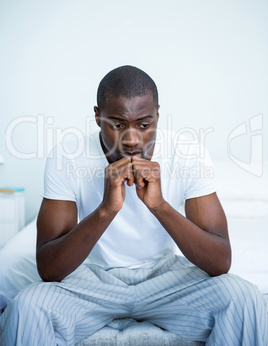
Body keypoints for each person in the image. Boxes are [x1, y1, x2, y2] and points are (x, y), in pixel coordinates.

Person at [0, 65, 267, 345]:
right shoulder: (66, 156)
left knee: (243, 297)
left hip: (163, 276)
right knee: (28, 307)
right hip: (90, 278)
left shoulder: (188, 153)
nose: (131, 140)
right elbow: (50, 269)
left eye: (144, 124)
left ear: (158, 116)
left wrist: (160, 206)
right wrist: (106, 210)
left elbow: (220, 261)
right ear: (97, 117)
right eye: (116, 124)